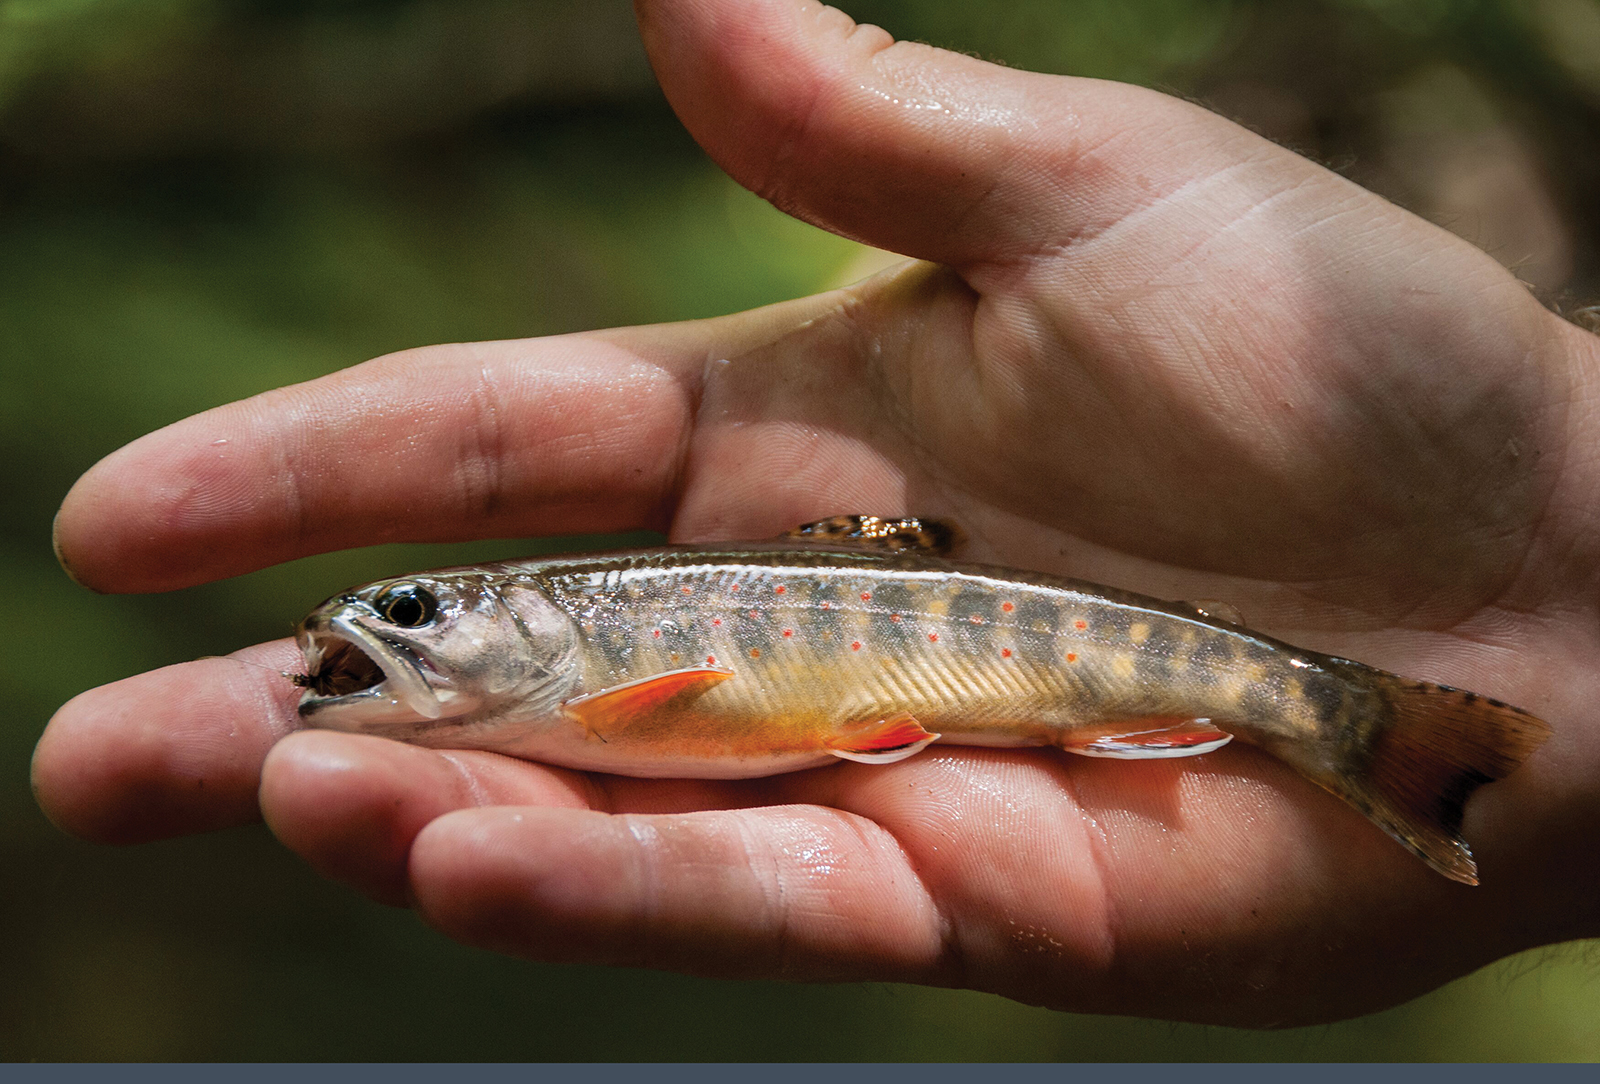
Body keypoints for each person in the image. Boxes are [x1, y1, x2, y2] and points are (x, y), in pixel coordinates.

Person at [32, 0, 1600, 1028]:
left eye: (420, 609)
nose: (379, 632)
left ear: (527, 622)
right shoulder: (570, 690)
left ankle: (1363, 726)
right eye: (397, 622)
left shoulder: (608, 673)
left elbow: (687, 712)